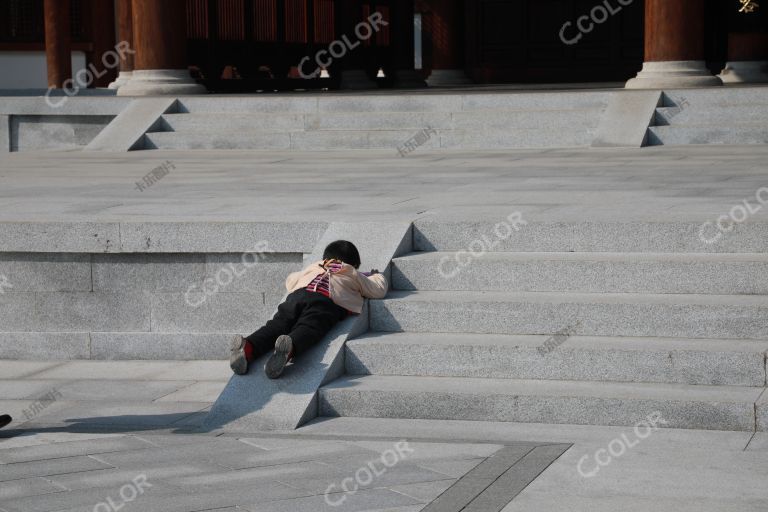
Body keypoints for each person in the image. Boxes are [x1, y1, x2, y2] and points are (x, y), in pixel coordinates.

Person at [230, 240, 388, 379]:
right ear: (353, 264)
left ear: (325, 258)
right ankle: (289, 347)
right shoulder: (352, 273)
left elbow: (291, 280)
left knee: (277, 324)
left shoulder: (314, 267)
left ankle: (249, 346)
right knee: (310, 326)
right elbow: (378, 289)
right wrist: (376, 275)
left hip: (299, 295)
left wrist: (303, 282)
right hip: (326, 301)